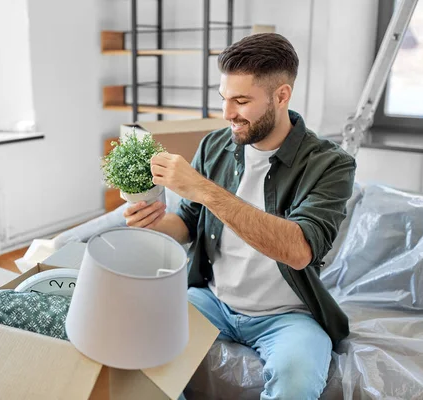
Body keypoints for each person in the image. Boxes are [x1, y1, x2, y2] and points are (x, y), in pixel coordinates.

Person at [124, 33, 356, 399]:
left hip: (288, 315)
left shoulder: (330, 164)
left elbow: (299, 250)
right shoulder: (214, 145)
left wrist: (202, 188)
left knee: (295, 384)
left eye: (241, 100)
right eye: (224, 99)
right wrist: (155, 223)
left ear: (281, 96)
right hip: (211, 300)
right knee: (135, 349)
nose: (228, 113)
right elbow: (187, 223)